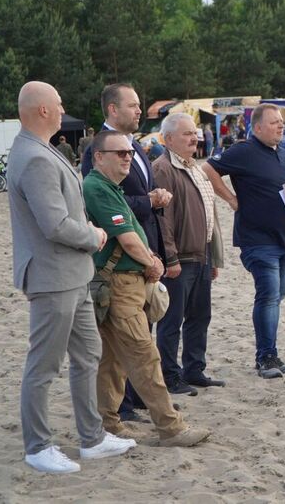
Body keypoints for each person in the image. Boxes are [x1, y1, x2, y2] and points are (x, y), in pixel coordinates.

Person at [8, 81, 135, 473]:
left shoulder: (41, 150)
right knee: (43, 365)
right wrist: (95, 235)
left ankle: (92, 438)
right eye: (59, 104)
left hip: (73, 274)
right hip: (53, 276)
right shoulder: (34, 157)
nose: (64, 109)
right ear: (42, 110)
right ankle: (37, 446)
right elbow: (55, 224)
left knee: (87, 354)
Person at [83, 130, 211, 447]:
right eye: (119, 153)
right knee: (144, 356)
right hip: (119, 284)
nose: (128, 156)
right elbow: (127, 238)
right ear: (99, 157)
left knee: (112, 359)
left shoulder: (108, 187)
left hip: (122, 283)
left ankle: (110, 423)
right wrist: (153, 262)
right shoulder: (97, 188)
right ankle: (171, 428)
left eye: (129, 152)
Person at [82, 83, 175, 413]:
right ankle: (161, 419)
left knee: (122, 353)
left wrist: (155, 201)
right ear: (112, 110)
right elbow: (107, 208)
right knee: (138, 351)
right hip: (120, 264)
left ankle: (122, 409)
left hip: (139, 257)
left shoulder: (135, 146)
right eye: (133, 105)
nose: (139, 111)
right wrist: (148, 201)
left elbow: (126, 202)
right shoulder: (98, 152)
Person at [202, 104, 285, 379]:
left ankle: (271, 352)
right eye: (274, 123)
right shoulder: (244, 151)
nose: (280, 127)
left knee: (277, 295)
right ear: (258, 127)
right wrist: (229, 198)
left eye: (281, 123)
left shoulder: (283, 154)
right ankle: (265, 357)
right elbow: (207, 168)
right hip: (258, 238)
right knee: (268, 295)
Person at [153, 113, 226, 393]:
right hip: (180, 258)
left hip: (201, 255)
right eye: (186, 133)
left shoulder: (196, 167)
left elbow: (211, 216)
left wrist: (214, 258)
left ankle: (194, 370)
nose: (193, 137)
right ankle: (170, 377)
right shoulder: (163, 168)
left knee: (199, 316)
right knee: (171, 321)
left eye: (194, 132)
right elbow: (164, 218)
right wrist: (169, 257)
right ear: (168, 139)